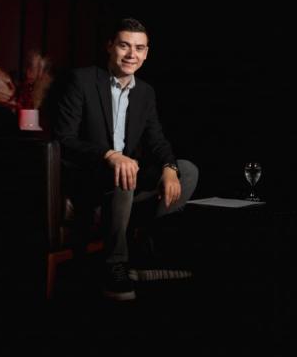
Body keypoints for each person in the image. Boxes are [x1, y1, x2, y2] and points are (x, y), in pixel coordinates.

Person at [54, 17, 199, 301]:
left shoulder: (145, 92)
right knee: (125, 171)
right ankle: (115, 266)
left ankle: (143, 246)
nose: (132, 54)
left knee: (188, 171)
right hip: (89, 173)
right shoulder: (82, 80)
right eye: (124, 45)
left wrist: (170, 168)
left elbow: (157, 140)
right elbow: (64, 139)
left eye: (139, 48)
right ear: (110, 46)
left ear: (146, 53)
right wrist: (109, 155)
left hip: (124, 176)